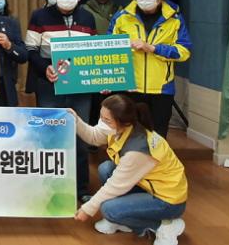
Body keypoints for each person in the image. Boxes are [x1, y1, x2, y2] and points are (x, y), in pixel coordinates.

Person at [72, 94, 187, 245]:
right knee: (106, 169)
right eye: (101, 117)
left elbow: (116, 185)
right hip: (149, 186)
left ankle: (164, 226)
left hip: (168, 200)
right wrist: (75, 120)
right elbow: (94, 136)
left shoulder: (138, 149)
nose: (102, 123)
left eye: (107, 120)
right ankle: (124, 218)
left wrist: (87, 209)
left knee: (109, 209)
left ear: (123, 122)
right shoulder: (120, 128)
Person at [25, 0, 96, 199]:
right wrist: (45, 68)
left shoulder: (88, 18)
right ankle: (48, 188)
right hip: (50, 85)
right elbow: (30, 50)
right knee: (50, 136)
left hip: (80, 87)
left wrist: (101, 78)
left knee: (80, 138)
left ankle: (80, 189)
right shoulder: (40, 16)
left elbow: (95, 52)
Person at [108, 0, 192, 138]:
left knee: (157, 138)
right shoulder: (122, 17)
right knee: (127, 136)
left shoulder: (174, 19)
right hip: (129, 87)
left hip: (161, 89)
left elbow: (184, 51)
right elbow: (108, 51)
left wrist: (153, 48)